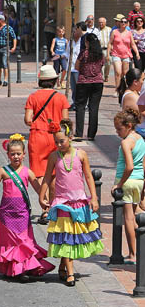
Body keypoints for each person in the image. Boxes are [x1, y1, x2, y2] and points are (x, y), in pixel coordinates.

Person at [0, 134, 54, 281]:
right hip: (6, 215)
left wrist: (45, 200)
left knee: (23, 241)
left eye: (18, 154)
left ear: (24, 155)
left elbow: (38, 188)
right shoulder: (3, 171)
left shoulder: (28, 172)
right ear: (7, 155)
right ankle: (12, 268)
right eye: (12, 154)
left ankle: (24, 269)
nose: (15, 157)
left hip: (22, 214)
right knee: (10, 242)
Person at [40, 119, 103, 286]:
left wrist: (94, 197)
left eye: (62, 141)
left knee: (72, 237)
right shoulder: (54, 156)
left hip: (79, 202)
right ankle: (71, 273)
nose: (59, 145)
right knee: (66, 236)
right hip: (62, 203)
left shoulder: (81, 155)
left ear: (71, 137)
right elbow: (47, 177)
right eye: (56, 142)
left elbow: (88, 176)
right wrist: (42, 195)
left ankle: (63, 265)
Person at [24, 65, 70, 225]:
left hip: (37, 136)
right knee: (53, 175)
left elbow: (28, 119)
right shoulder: (61, 98)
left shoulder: (33, 97)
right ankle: (52, 209)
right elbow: (65, 122)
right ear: (55, 80)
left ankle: (44, 206)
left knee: (37, 174)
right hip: (55, 137)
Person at [112, 109, 145, 265]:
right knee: (135, 217)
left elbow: (129, 166)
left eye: (119, 129)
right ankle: (139, 250)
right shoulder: (140, 139)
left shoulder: (126, 142)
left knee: (129, 219)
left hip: (128, 181)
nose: (118, 132)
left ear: (129, 125)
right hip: (139, 181)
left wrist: (119, 183)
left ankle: (133, 254)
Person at [74, 34, 104, 141]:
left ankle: (79, 133)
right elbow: (101, 65)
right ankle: (91, 135)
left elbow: (76, 66)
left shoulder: (84, 53)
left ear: (87, 42)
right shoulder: (100, 54)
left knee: (80, 107)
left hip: (83, 82)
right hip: (98, 82)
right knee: (94, 108)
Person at [108, 15, 139, 88]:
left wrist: (137, 53)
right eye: (122, 22)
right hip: (116, 54)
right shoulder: (115, 31)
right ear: (119, 23)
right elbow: (110, 43)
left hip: (126, 55)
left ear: (127, 23)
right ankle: (117, 89)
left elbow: (133, 44)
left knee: (124, 73)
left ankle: (123, 87)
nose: (123, 23)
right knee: (118, 72)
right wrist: (107, 54)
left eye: (125, 22)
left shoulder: (129, 33)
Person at [67, 22, 86, 109]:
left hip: (79, 68)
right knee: (74, 87)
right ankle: (75, 102)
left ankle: (82, 104)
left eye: (75, 30)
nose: (74, 32)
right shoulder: (70, 42)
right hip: (71, 68)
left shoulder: (83, 41)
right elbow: (67, 53)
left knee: (80, 87)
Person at [98, 17, 112, 83]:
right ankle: (102, 76)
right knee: (100, 64)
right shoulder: (96, 30)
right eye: (100, 22)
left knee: (108, 63)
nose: (101, 24)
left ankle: (106, 75)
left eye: (102, 22)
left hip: (107, 49)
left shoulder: (109, 30)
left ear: (105, 23)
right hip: (99, 50)